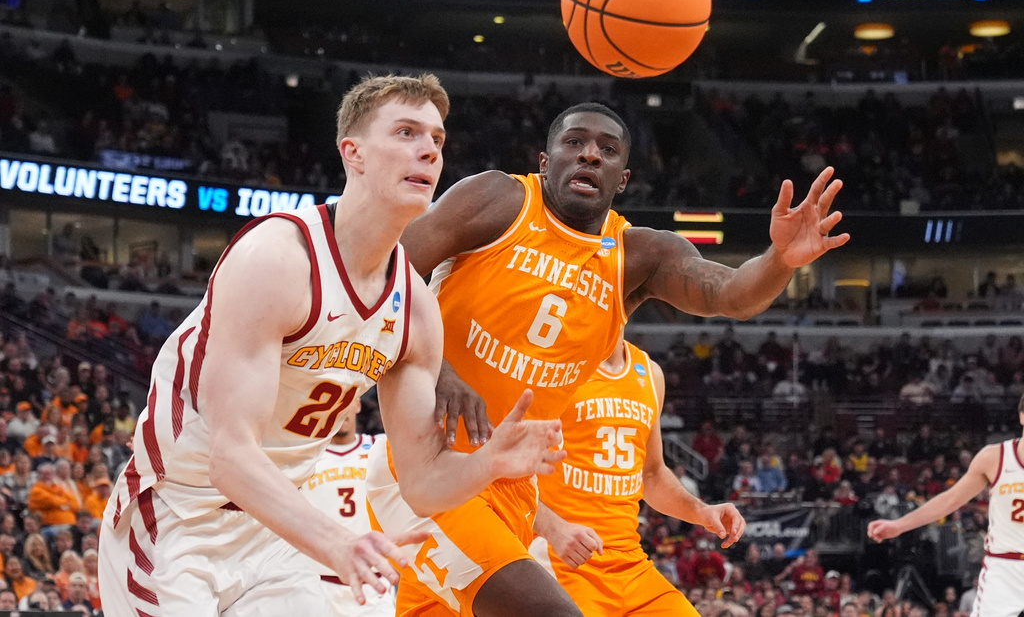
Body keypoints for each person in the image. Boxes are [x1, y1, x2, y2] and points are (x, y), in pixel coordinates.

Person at [98, 74, 566, 615]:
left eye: (437, 140)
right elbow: (229, 458)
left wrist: (488, 463)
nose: (428, 150)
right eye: (407, 132)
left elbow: (423, 483)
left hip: (278, 530)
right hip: (178, 517)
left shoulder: (415, 309)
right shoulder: (277, 257)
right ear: (354, 153)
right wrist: (337, 541)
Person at [369, 101, 848, 616]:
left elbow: (730, 294)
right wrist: (438, 368)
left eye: (608, 150)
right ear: (545, 161)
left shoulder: (637, 257)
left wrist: (779, 261)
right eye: (574, 143)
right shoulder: (499, 199)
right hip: (422, 469)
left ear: (623, 179)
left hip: (510, 488)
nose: (591, 155)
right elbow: (383, 273)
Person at [532, 334, 745, 615]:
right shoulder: (548, 362)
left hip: (629, 562)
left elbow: (652, 474)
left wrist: (700, 511)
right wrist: (553, 527)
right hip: (561, 556)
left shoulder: (649, 371)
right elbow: (502, 474)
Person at [868, 393, 1024, 617]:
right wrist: (899, 525)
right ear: (1021, 416)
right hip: (1004, 567)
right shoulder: (995, 457)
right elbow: (951, 500)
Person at [299, 397, 395, 616]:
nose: (339, 408)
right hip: (317, 585)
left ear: (358, 405)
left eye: (346, 400)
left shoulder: (382, 447)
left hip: (375, 584)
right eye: (332, 402)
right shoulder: (304, 457)